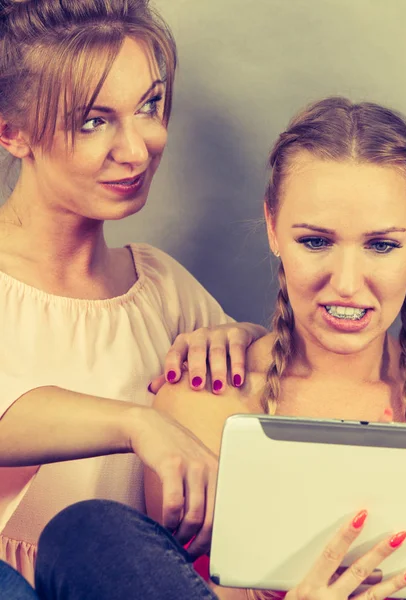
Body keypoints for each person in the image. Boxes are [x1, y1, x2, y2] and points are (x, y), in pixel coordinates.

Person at [0, 0, 266, 585]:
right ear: (11, 132)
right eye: (92, 121)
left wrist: (239, 336)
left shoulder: (159, 286)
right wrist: (138, 423)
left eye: (149, 106)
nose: (139, 148)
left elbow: (269, 375)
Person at [147, 97, 406, 599]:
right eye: (315, 241)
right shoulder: (199, 404)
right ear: (272, 227)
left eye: (381, 245)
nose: (348, 284)